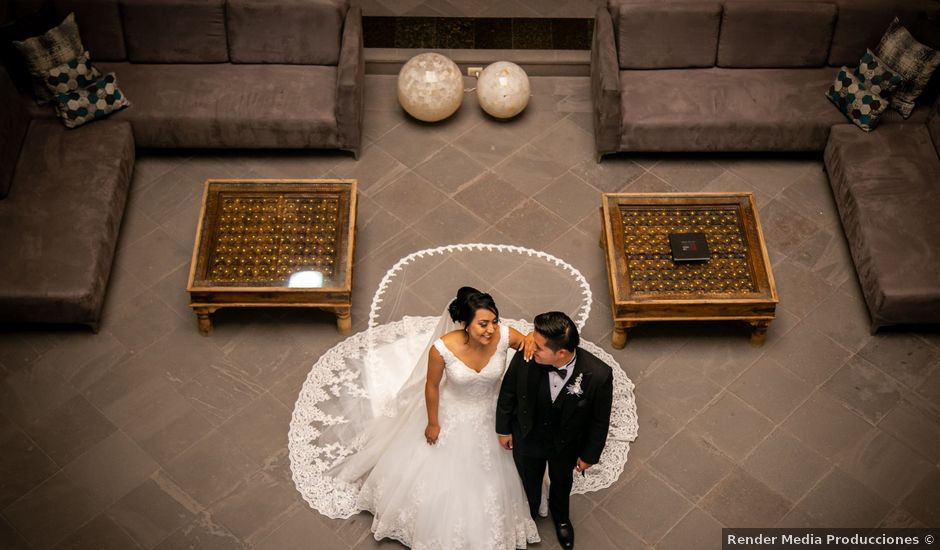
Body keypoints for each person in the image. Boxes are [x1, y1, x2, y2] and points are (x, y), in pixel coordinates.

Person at [329, 286, 540, 549]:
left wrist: (530, 337)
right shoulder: (442, 349)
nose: (491, 330)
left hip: (491, 412)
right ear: (464, 324)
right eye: (483, 324)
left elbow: (527, 341)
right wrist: (433, 422)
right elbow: (431, 386)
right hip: (453, 412)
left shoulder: (504, 335)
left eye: (494, 322)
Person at [496, 311, 614, 550]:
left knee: (561, 481)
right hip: (528, 436)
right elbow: (508, 391)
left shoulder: (598, 375)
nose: (530, 345)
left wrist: (589, 456)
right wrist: (503, 429)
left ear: (560, 353)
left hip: (566, 444)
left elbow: (599, 422)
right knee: (529, 477)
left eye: (538, 346)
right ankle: (529, 510)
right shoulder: (527, 354)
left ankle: (561, 518)